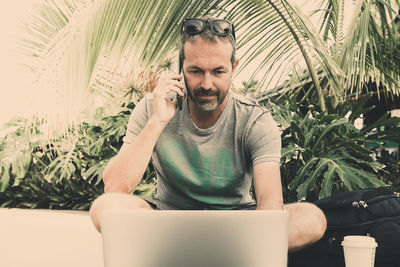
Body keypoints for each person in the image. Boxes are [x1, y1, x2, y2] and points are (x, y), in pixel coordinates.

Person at [89, 17, 326, 251]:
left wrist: (258, 231)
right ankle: (219, 252)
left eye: (218, 71)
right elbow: (115, 187)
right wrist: (158, 120)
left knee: (311, 218)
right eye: (195, 71)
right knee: (105, 207)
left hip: (238, 223)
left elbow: (270, 204)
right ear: (180, 67)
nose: (207, 84)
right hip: (169, 220)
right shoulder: (153, 109)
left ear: (234, 66)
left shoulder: (255, 120)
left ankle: (190, 251)